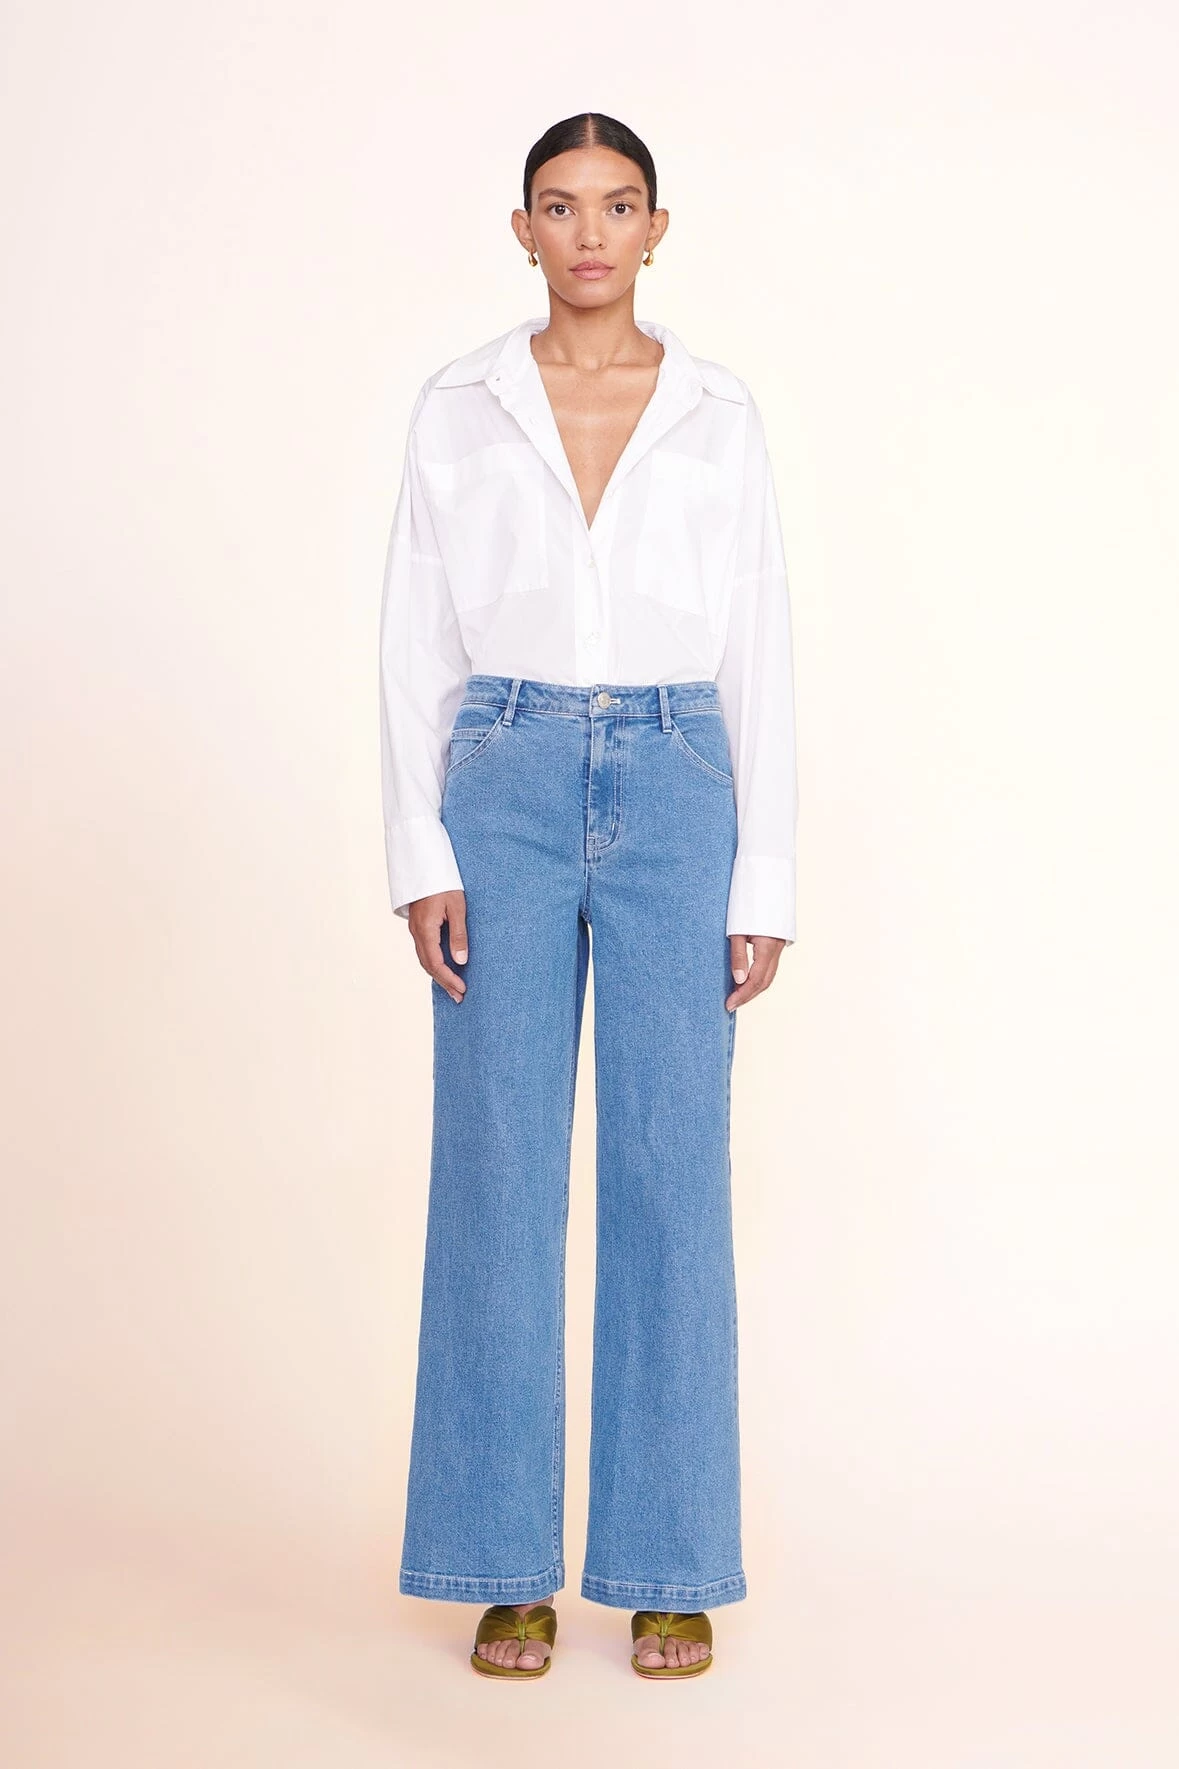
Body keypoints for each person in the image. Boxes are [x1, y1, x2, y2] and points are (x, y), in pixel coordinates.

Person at [378, 111, 798, 1681]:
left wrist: (764, 872)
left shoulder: (717, 412)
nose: (589, 235)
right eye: (560, 208)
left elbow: (759, 637)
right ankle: (502, 1562)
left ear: (656, 227)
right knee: (496, 1171)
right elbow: (412, 630)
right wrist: (420, 854)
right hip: (503, 772)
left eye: (616, 207)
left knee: (669, 1174)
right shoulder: (459, 404)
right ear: (522, 229)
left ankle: (667, 1559)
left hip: (679, 780)